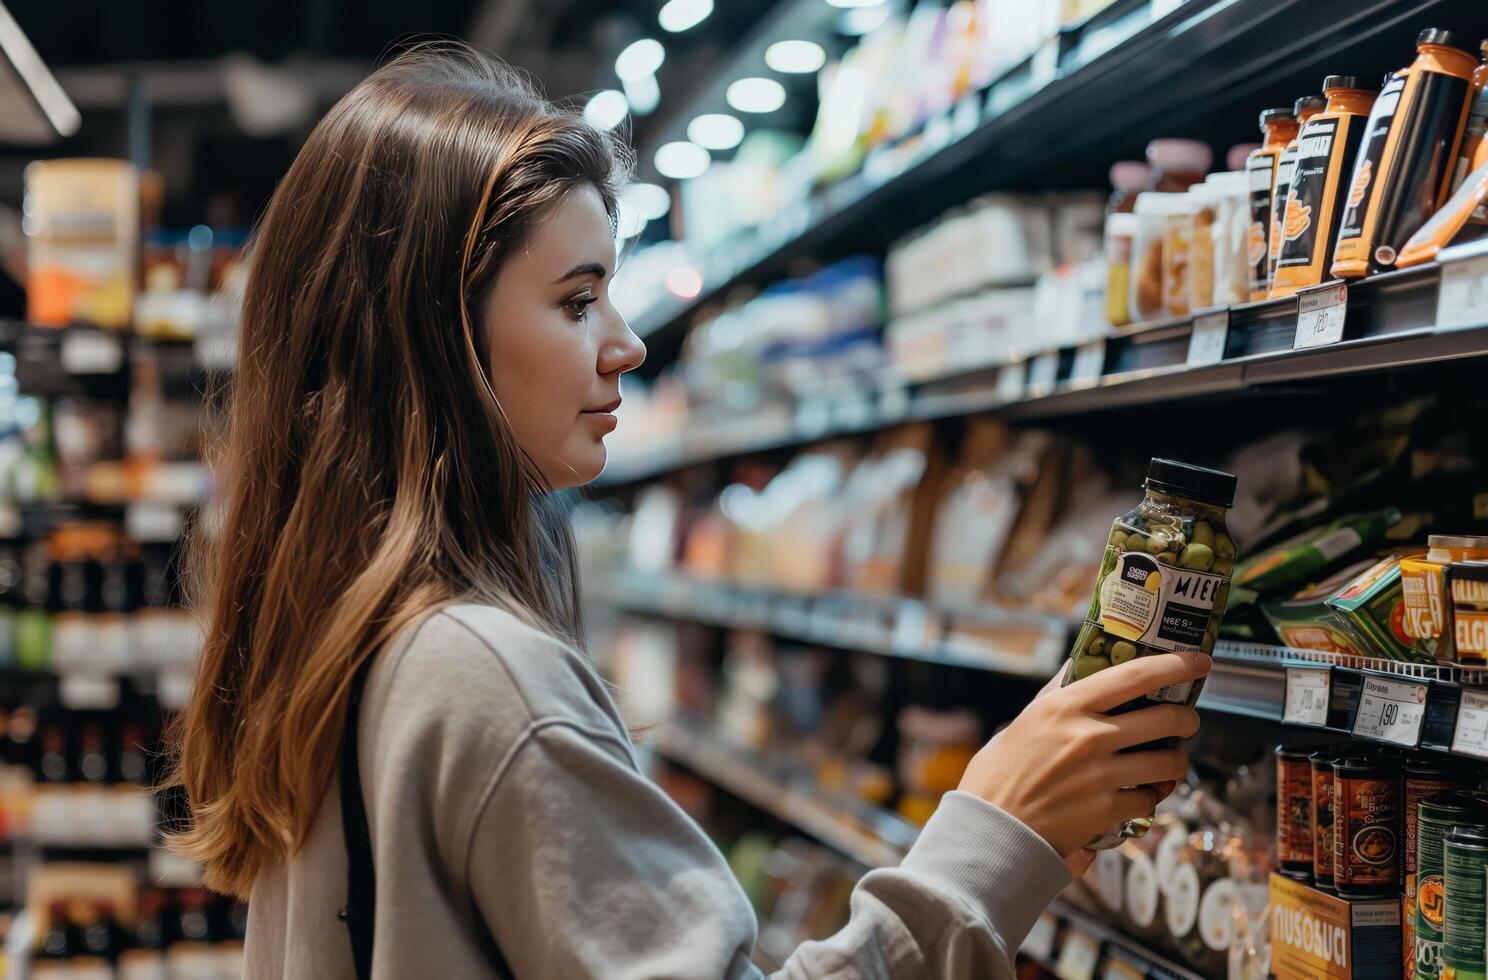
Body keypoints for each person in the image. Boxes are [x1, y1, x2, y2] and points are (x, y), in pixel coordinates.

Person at [167, 43, 1209, 979]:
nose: (627, 344)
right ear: (430, 334)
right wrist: (992, 834)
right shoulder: (479, 676)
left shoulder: (330, 638)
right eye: (578, 300)